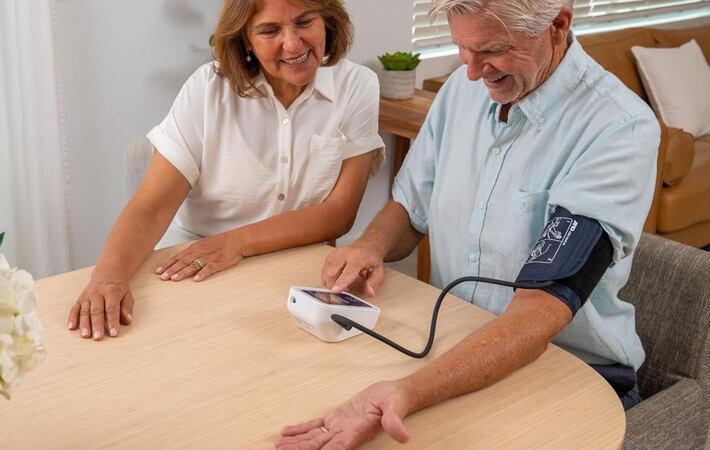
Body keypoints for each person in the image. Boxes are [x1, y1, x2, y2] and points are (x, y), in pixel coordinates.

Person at [276, 0, 660, 448]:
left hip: (571, 370)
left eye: (493, 50)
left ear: (558, 25)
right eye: (462, 49)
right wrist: (370, 247)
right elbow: (410, 207)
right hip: (456, 346)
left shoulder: (619, 128)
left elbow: (541, 312)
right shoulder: (461, 90)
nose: (474, 73)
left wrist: (409, 391)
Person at [66, 0, 384, 341]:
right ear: (245, 38)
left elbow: (339, 214)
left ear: (327, 21)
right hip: (195, 268)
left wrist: (238, 242)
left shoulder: (357, 86)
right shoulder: (207, 89)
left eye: (305, 22)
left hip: (295, 272)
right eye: (270, 30)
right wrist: (108, 278)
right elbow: (151, 206)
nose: (292, 44)